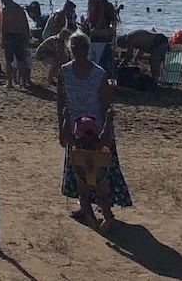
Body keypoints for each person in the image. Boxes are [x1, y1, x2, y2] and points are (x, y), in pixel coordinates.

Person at [57, 32, 133, 223]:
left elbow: (106, 105)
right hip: (75, 130)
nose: (79, 52)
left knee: (100, 171)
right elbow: (61, 102)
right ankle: (85, 208)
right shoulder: (64, 72)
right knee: (80, 171)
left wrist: (107, 129)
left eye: (83, 48)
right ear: (70, 50)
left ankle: (106, 210)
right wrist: (61, 127)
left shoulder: (99, 74)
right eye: (75, 48)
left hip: (96, 131)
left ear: (88, 49)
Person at [0, 0, 33, 89]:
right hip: (18, 35)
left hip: (11, 35)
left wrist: (2, 38)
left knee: (10, 60)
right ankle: (21, 82)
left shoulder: (6, 10)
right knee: (20, 60)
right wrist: (26, 36)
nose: (2, 1)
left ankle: (11, 82)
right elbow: (25, 24)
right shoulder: (19, 8)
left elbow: (4, 25)